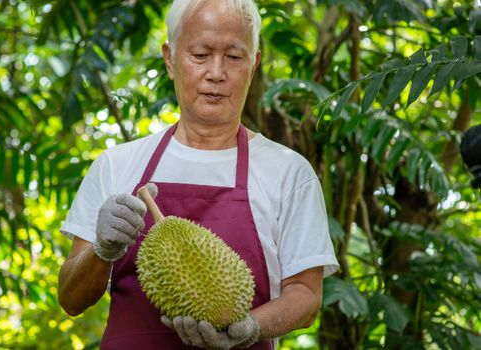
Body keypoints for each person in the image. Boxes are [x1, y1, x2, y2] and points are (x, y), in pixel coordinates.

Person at [58, 0, 339, 349]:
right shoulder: (117, 164)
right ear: (170, 59)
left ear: (254, 64)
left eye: (234, 57)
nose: (216, 73)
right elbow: (71, 300)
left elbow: (307, 295)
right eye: (200, 55)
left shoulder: (288, 171)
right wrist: (102, 249)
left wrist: (249, 328)